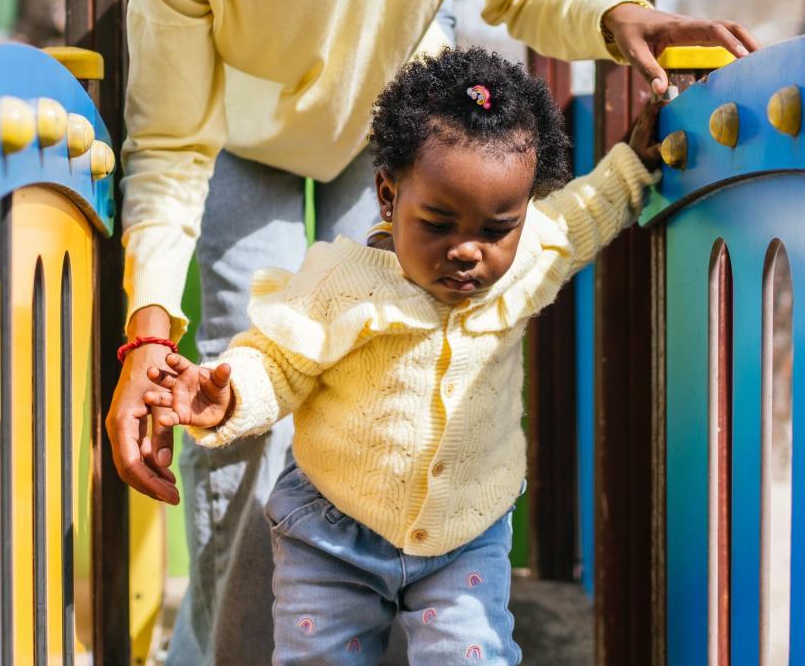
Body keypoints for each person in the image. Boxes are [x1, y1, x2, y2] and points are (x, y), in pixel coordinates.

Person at [99, 0, 759, 661]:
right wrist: (145, 333)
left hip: (389, 139)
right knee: (242, 415)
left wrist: (617, 14)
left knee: (390, 376)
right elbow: (171, 148)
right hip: (237, 143)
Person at [144, 48, 664, 664]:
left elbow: (583, 216)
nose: (469, 250)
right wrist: (229, 395)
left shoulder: (528, 258)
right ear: (389, 197)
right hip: (331, 532)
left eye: (497, 228)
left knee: (473, 654)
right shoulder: (343, 282)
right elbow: (278, 362)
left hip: (465, 532)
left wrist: (633, 166)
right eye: (439, 223)